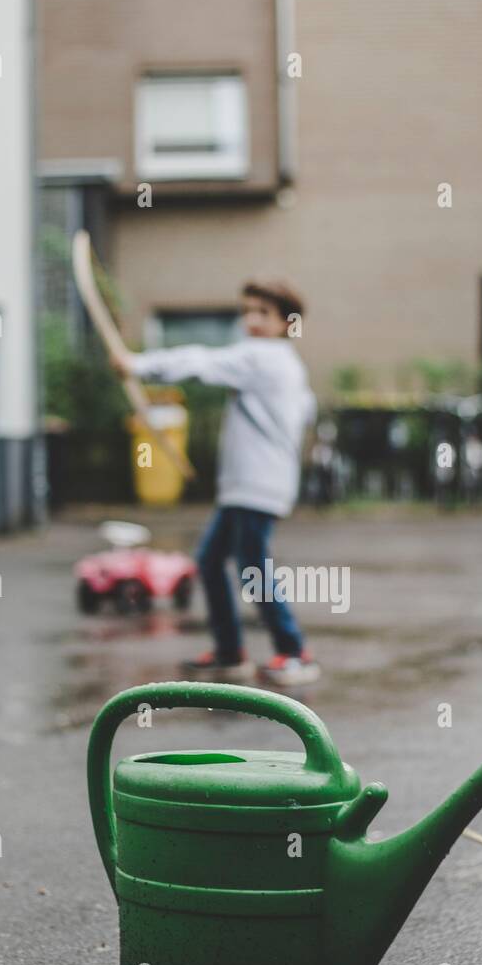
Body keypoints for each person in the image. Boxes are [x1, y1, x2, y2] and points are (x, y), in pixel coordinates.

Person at [109, 278, 320, 687]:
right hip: (249, 485)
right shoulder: (286, 365)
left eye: (263, 313)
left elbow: (199, 362)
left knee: (252, 567)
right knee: (210, 560)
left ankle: (294, 650)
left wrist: (137, 365)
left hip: (256, 486)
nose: (251, 320)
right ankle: (229, 651)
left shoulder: (264, 358)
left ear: (285, 322)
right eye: (246, 311)